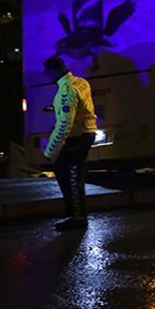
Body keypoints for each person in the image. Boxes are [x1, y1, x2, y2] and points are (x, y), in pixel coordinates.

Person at [42, 56, 98, 231]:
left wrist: (49, 150)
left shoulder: (66, 91)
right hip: (87, 133)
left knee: (73, 177)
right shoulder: (81, 82)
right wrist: (54, 108)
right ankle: (72, 209)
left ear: (54, 70)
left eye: (47, 72)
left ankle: (78, 218)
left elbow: (65, 124)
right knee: (62, 171)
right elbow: (79, 106)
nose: (46, 75)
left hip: (78, 137)